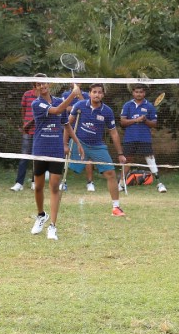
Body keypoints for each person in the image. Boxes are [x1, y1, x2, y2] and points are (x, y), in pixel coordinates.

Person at [30, 77, 81, 240]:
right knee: (38, 187)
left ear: (48, 84)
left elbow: (66, 124)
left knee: (54, 187)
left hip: (56, 150)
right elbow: (57, 110)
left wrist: (77, 142)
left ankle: (52, 226)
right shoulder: (36, 104)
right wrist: (73, 94)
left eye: (44, 83)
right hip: (40, 149)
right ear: (36, 88)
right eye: (39, 84)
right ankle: (41, 215)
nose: (42, 86)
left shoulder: (59, 100)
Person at [69, 83, 128, 216]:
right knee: (63, 168)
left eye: (99, 92)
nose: (97, 94)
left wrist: (120, 153)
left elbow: (113, 133)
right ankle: (59, 194)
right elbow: (68, 124)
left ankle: (116, 207)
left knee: (111, 174)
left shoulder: (107, 111)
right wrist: (65, 145)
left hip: (97, 146)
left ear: (103, 95)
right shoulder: (79, 106)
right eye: (94, 92)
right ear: (89, 93)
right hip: (79, 143)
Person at [119, 84, 166, 193]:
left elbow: (154, 124)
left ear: (144, 93)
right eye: (136, 92)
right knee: (127, 160)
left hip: (144, 138)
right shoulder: (127, 105)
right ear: (133, 93)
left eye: (141, 92)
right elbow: (122, 122)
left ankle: (159, 183)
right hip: (130, 138)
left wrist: (145, 120)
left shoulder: (149, 106)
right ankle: (121, 184)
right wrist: (136, 120)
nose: (138, 94)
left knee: (150, 159)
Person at [11, 84, 38, 192]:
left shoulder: (45, 97)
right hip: (27, 132)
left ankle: (34, 182)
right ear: (34, 84)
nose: (41, 85)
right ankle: (19, 183)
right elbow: (23, 109)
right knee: (24, 157)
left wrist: (30, 123)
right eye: (38, 83)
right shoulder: (27, 94)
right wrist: (25, 123)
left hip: (39, 131)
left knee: (37, 158)